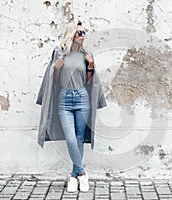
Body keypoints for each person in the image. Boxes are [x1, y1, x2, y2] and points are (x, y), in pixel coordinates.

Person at [36, 20, 107, 193]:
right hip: (64, 99)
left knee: (80, 139)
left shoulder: (87, 54)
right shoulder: (59, 53)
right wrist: (58, 68)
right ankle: (82, 173)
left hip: (82, 98)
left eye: (84, 32)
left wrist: (90, 65)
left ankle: (74, 176)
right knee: (71, 139)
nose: (83, 35)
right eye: (79, 32)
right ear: (71, 34)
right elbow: (54, 82)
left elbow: (89, 83)